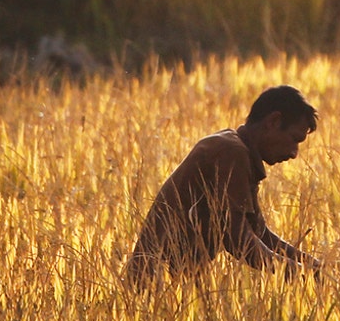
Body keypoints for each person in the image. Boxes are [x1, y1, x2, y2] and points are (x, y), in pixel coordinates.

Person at [126, 84, 321, 282]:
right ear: (273, 121)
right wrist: (297, 273)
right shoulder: (231, 152)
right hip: (156, 282)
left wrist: (310, 264)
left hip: (172, 280)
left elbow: (258, 231)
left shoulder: (237, 149)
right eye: (294, 139)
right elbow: (238, 239)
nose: (294, 153)